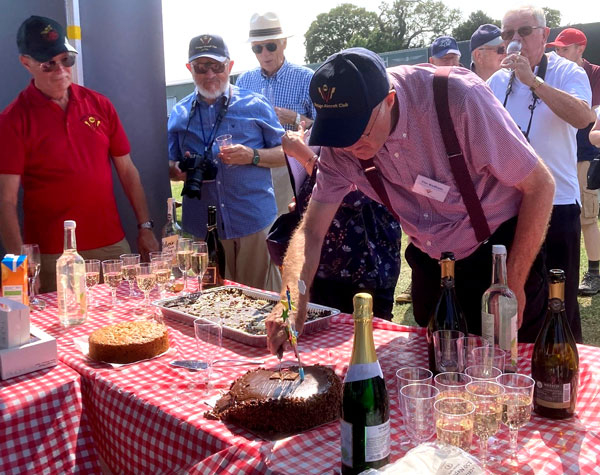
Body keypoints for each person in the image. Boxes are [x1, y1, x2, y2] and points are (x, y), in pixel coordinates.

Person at [266, 47, 555, 355]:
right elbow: (311, 231)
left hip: (498, 254)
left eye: (359, 133)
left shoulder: (459, 100)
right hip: (431, 262)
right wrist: (291, 298)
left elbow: (540, 186)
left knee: (513, 368)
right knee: (438, 374)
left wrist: (512, 281)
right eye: (340, 135)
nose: (349, 147)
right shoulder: (342, 146)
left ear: (389, 101)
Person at [0, 15, 158, 292]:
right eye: (48, 64)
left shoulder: (99, 104)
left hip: (112, 247)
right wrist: (18, 270)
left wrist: (145, 226)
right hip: (52, 256)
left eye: (66, 60)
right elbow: (5, 201)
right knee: (64, 332)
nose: (60, 70)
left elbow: (128, 171)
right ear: (26, 63)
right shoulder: (13, 120)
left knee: (124, 327)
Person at [487, 6, 594, 342]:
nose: (515, 41)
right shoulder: (496, 80)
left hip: (557, 204)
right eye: (507, 35)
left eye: (523, 32)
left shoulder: (566, 71)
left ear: (545, 35)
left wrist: (532, 82)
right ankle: (515, 372)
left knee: (558, 302)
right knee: (511, 299)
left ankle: (562, 378)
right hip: (506, 206)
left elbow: (583, 118)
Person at [168, 34, 284, 292]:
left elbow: (286, 153)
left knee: (259, 302)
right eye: (201, 67)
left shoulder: (255, 104)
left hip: (252, 221)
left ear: (229, 66)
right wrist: (178, 170)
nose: (210, 74)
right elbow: (169, 165)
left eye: (217, 66)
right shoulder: (179, 114)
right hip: (203, 228)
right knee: (211, 305)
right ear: (190, 69)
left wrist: (252, 155)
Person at [281, 124, 401, 318]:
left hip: (366, 272)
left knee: (367, 343)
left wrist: (302, 154)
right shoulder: (324, 126)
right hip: (324, 270)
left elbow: (357, 194)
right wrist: (303, 199)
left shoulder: (371, 130)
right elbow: (322, 188)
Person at [236, 12, 316, 216]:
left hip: (292, 166)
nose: (265, 53)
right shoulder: (244, 82)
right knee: (258, 230)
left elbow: (322, 128)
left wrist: (294, 118)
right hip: (254, 165)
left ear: (284, 44)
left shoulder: (306, 78)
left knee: (289, 228)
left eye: (270, 46)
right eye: (257, 48)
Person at [547, 28, 600, 296]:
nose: (559, 53)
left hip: (585, 154)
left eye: (565, 49)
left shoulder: (596, 74)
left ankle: (594, 272)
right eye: (557, 49)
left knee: (587, 217)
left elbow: (590, 116)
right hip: (558, 155)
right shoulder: (555, 72)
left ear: (581, 48)